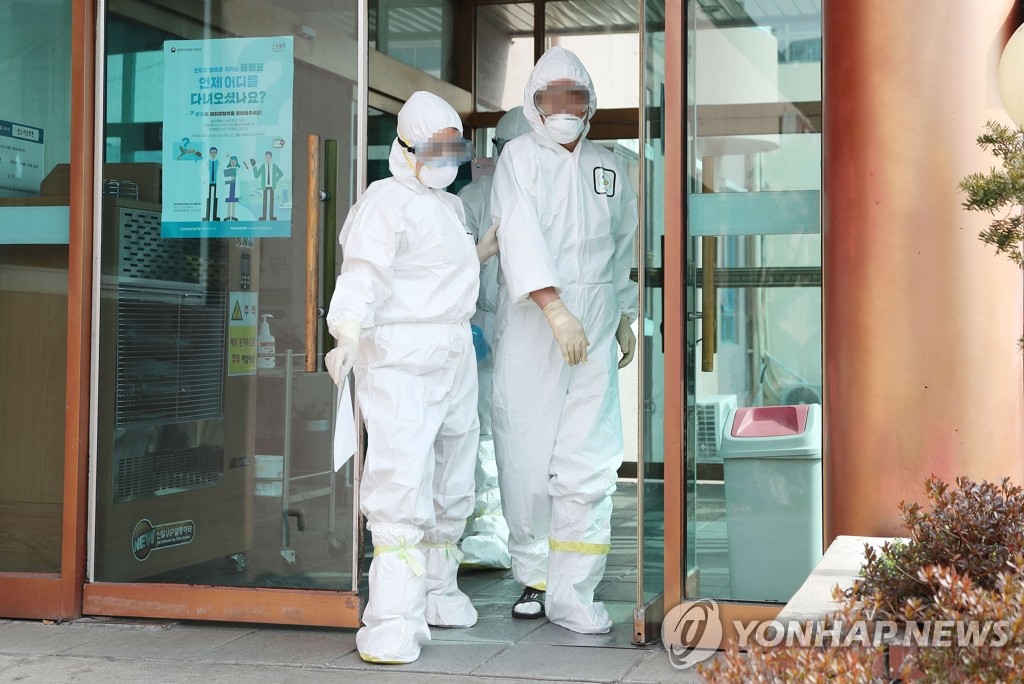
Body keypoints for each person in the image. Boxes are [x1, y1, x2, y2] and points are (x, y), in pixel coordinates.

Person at [324, 90, 499, 664]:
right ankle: (391, 620)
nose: (447, 159)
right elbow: (363, 273)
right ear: (406, 148)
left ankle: (438, 591)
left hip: (452, 350)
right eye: (435, 149)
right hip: (400, 353)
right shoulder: (385, 201)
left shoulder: (449, 208)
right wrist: (348, 331)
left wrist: (483, 251)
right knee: (400, 481)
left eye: (454, 148)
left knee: (454, 473)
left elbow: (438, 272)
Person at [489, 46, 638, 634]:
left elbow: (622, 244)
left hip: (595, 320)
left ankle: (575, 591)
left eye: (574, 97)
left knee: (589, 457)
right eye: (552, 98)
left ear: (590, 103)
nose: (564, 109)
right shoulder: (520, 159)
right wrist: (552, 306)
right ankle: (535, 575)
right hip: (534, 325)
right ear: (534, 104)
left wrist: (622, 314)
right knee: (527, 454)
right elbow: (518, 233)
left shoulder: (610, 166)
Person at [455, 106, 531, 570]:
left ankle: (527, 534)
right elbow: (452, 263)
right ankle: (486, 533)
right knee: (483, 430)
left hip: (533, 324)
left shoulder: (555, 194)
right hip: (484, 323)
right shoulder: (475, 197)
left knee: (530, 433)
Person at [251, 150, 284, 220]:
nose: (267, 158)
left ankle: (271, 217)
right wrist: (254, 166)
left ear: (271, 157)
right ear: (265, 158)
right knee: (265, 201)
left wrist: (275, 180)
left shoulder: (274, 166)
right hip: (265, 186)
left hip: (272, 186)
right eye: (266, 157)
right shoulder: (263, 166)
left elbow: (281, 173)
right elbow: (256, 175)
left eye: (269, 157)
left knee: (271, 201)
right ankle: (264, 216)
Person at [203, 146, 220, 221]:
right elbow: (204, 172)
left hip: (216, 182)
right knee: (209, 198)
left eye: (214, 152)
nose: (213, 154)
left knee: (215, 197)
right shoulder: (207, 162)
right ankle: (207, 216)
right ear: (209, 153)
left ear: (216, 153)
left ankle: (214, 216)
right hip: (209, 182)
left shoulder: (218, 162)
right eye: (212, 152)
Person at [223, 155, 240, 221]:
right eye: (231, 161)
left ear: (236, 162)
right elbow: (225, 177)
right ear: (230, 162)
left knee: (233, 202)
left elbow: (241, 176)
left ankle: (233, 216)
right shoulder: (228, 169)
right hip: (229, 186)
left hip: (235, 186)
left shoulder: (238, 169)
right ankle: (228, 216)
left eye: (234, 161)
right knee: (229, 202)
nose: (233, 162)